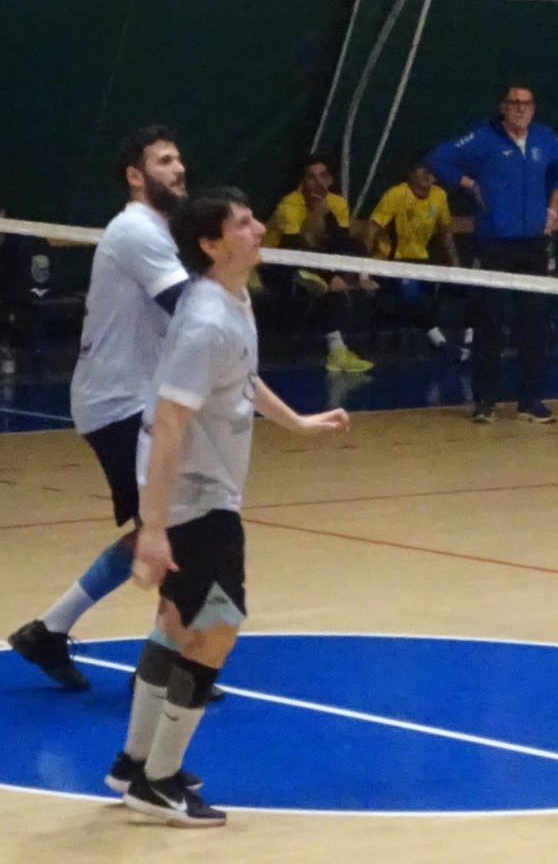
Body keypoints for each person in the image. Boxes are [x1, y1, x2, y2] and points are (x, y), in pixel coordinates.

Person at [114, 188, 349, 827]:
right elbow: (169, 422)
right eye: (243, 224)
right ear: (211, 245)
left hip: (200, 493)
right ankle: (159, 782)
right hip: (194, 498)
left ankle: (134, 764)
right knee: (218, 627)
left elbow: (240, 377)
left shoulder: (231, 301)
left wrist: (297, 421)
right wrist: (154, 528)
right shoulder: (205, 322)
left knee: (174, 620)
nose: (259, 228)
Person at [7, 128, 189, 690]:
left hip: (133, 397)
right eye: (164, 161)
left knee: (158, 529)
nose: (179, 168)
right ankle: (162, 667)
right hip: (120, 401)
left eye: (179, 159)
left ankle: (47, 632)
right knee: (176, 529)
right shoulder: (137, 230)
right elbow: (187, 308)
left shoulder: (160, 230)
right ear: (135, 176)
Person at [428, 81, 558, 424]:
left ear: (533, 108)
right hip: (494, 244)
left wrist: (553, 208)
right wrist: (469, 184)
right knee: (489, 321)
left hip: (533, 244)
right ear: (503, 107)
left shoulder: (544, 137)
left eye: (527, 103)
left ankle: (530, 401)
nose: (520, 108)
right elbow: (438, 159)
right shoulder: (483, 138)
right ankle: (485, 402)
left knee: (534, 322)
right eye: (514, 102)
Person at [263, 155, 374, 374]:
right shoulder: (289, 205)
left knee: (329, 286)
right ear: (303, 181)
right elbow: (295, 248)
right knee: (325, 285)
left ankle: (337, 351)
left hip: (315, 260)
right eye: (311, 177)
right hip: (276, 263)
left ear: (331, 180)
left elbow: (340, 243)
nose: (318, 183)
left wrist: (349, 275)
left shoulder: (337, 203)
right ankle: (337, 352)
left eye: (323, 176)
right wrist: (331, 275)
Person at [363, 157, 463, 357]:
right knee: (410, 293)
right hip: (391, 263)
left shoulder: (439, 196)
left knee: (467, 290)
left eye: (431, 170)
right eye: (423, 169)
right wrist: (364, 272)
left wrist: (456, 265)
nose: (428, 174)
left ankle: (468, 340)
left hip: (421, 262)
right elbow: (370, 230)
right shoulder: (397, 194)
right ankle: (438, 341)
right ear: (410, 174)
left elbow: (446, 233)